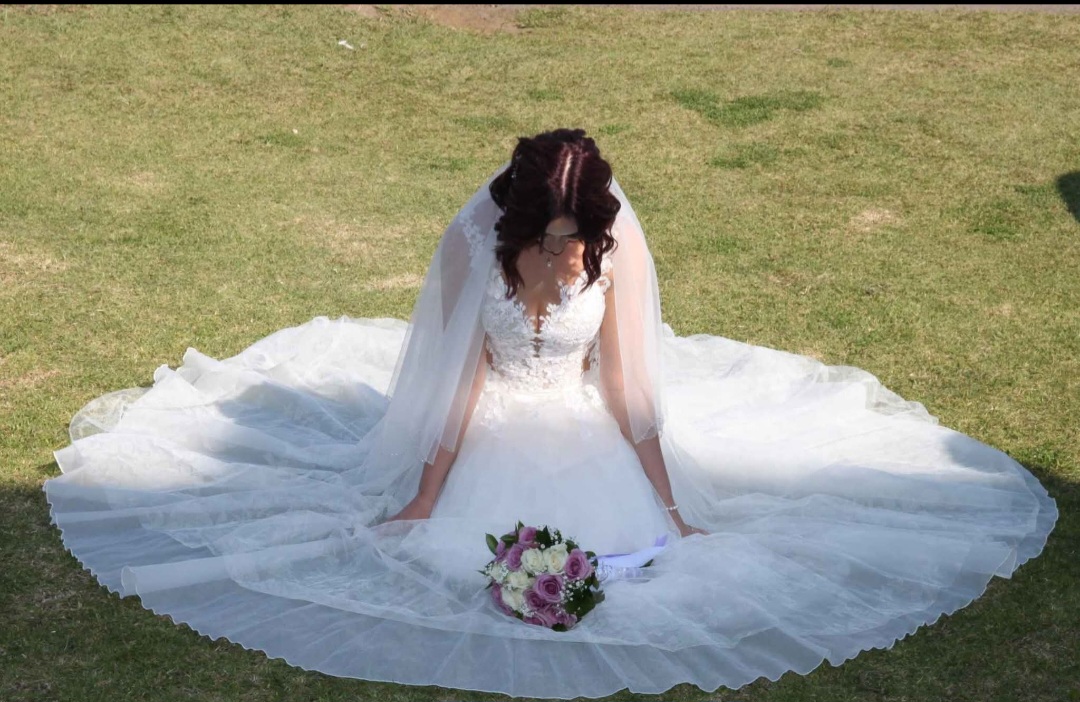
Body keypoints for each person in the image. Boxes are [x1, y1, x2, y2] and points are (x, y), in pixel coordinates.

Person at [44, 128, 1058, 698]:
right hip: (489, 430)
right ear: (522, 225)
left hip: (580, 430)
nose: (573, 256)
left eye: (585, 239)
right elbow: (460, 379)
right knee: (456, 542)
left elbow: (624, 389)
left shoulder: (609, 263)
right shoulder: (471, 251)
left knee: (634, 550)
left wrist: (669, 505)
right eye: (559, 238)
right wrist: (425, 491)